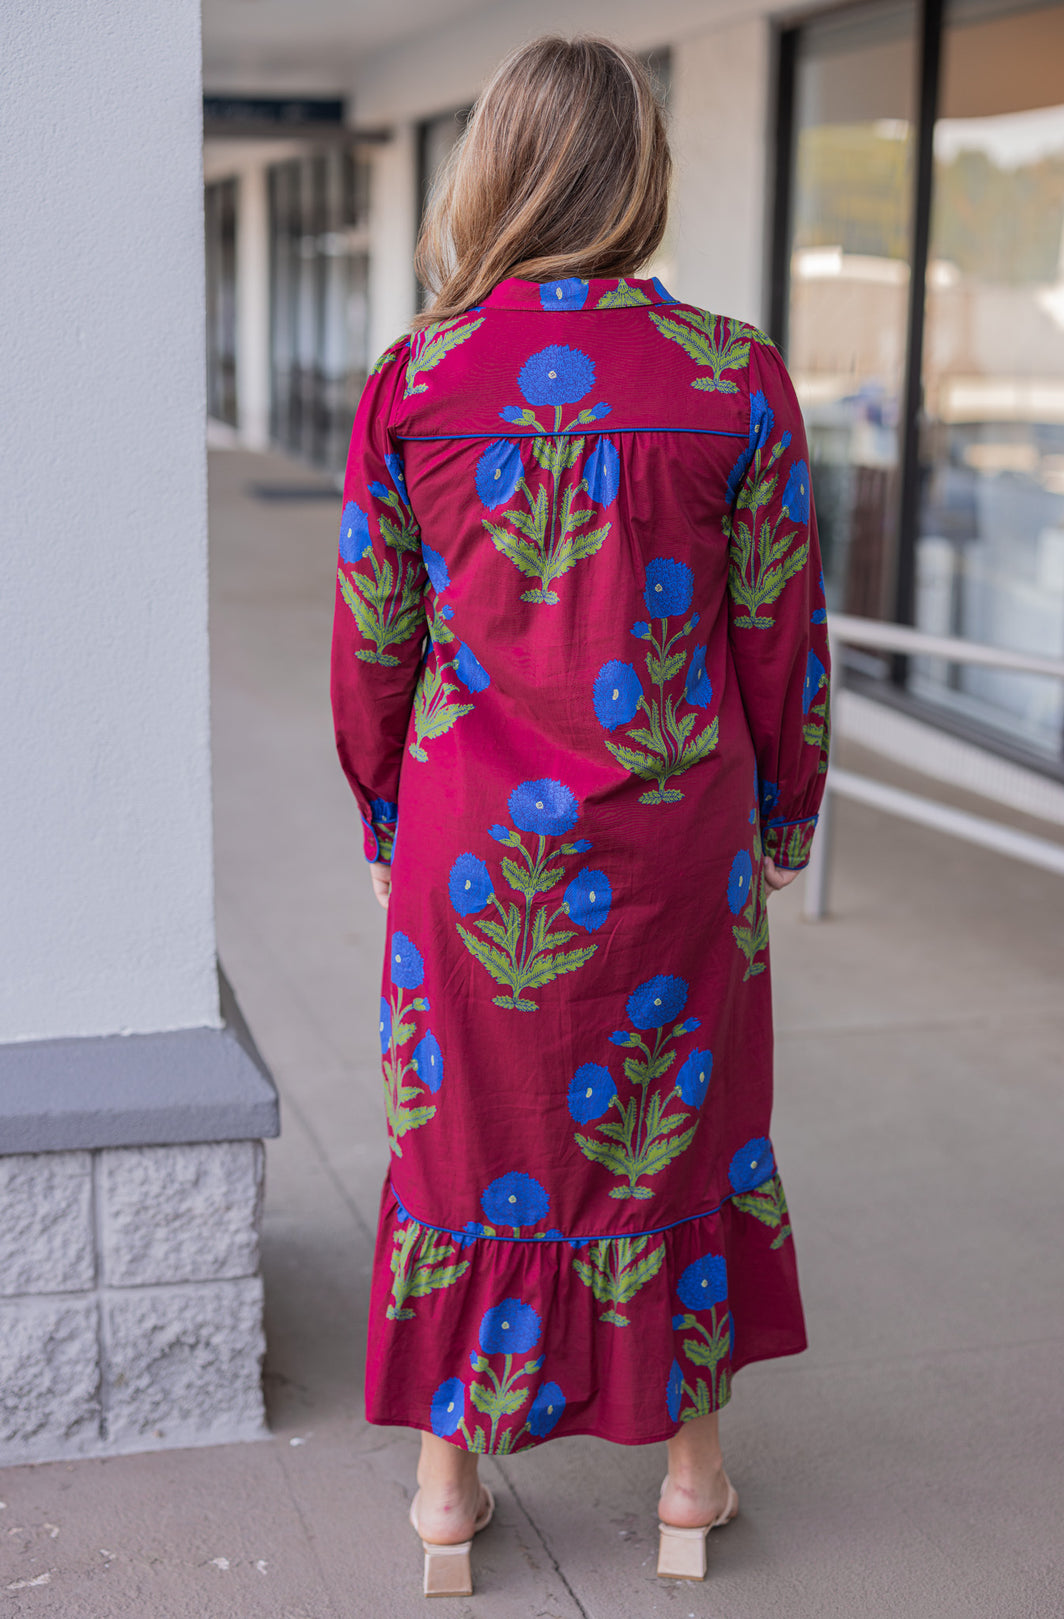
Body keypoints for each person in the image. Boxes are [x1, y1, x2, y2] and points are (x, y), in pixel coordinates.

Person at [330, 33, 830, 1597]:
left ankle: (444, 1491)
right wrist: (786, 817)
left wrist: (382, 816)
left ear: (491, 171)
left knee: (461, 1142)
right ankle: (688, 1481)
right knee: (677, 1134)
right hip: (679, 848)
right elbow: (780, 632)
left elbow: (373, 640)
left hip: (473, 850)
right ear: (643, 178)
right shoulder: (733, 376)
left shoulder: (416, 382)